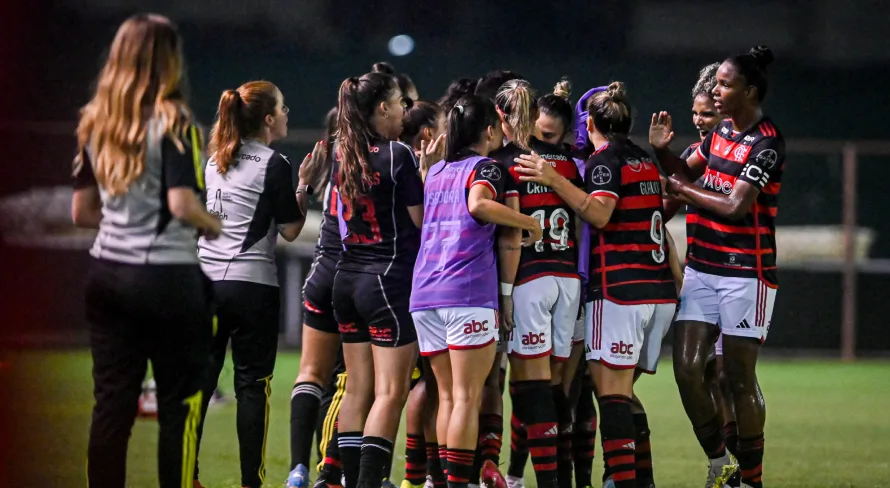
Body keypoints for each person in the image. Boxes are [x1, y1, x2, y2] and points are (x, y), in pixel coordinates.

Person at [71, 13, 220, 488]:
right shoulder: (175, 120)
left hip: (107, 274)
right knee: (179, 406)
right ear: (169, 60)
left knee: (112, 408)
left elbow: (82, 212)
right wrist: (211, 223)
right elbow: (181, 204)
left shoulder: (96, 122)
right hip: (167, 279)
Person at [514, 82, 678, 488]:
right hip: (657, 291)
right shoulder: (643, 161)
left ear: (588, 126)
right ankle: (642, 481)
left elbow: (600, 215)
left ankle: (619, 482)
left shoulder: (604, 163)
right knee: (621, 392)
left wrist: (552, 178)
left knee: (611, 395)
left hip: (621, 291)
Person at [650, 45, 782, 488]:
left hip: (747, 272)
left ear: (748, 90)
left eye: (726, 85)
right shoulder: (719, 132)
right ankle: (719, 459)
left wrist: (684, 192)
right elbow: (682, 175)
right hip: (703, 269)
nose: (717, 91)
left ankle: (752, 479)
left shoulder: (767, 144)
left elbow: (735, 207)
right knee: (687, 368)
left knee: (736, 378)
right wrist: (662, 153)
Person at [410, 94, 541, 488]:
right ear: (488, 130)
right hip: (466, 294)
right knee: (467, 398)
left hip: (425, 294)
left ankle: (445, 480)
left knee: (448, 398)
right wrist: (529, 224)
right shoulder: (486, 167)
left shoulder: (434, 172)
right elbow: (479, 204)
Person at [193, 80, 305, 488]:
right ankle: (250, 484)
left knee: (200, 384)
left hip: (206, 285)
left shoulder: (213, 161)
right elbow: (292, 230)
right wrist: (306, 186)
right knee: (252, 388)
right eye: (284, 107)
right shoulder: (274, 163)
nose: (288, 113)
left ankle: (188, 476)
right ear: (269, 118)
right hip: (252, 285)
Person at [332, 71, 442, 488]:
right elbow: (422, 221)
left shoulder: (344, 150)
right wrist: (427, 173)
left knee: (357, 389)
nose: (404, 112)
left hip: (348, 277)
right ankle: (367, 484)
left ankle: (344, 479)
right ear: (382, 108)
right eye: (399, 104)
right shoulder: (397, 154)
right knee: (390, 392)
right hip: (387, 280)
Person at [489, 79, 582, 488]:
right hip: (568, 280)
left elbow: (505, 231)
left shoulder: (510, 162)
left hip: (530, 278)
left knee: (530, 388)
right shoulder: (571, 163)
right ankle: (539, 477)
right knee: (553, 387)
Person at [286, 107, 343, 488]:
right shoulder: (381, 158)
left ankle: (297, 470)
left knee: (310, 373)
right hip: (358, 277)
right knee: (353, 381)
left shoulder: (327, 165)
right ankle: (333, 471)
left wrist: (303, 185)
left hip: (321, 271)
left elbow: (293, 224)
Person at [399, 99, 449, 488]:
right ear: (430, 134)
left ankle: (419, 476)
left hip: (407, 286)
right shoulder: (416, 170)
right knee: (434, 386)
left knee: (425, 384)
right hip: (419, 284)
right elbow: (427, 225)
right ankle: (433, 475)